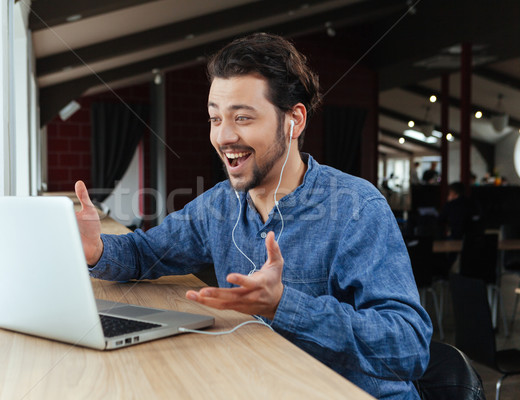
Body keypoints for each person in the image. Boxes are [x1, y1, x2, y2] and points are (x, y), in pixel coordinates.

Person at [75, 33, 432, 399]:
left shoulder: (356, 207)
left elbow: (409, 346)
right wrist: (96, 251)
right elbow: (145, 254)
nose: (224, 136)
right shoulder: (219, 205)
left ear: (294, 120)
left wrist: (284, 306)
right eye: (215, 119)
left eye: (242, 117)